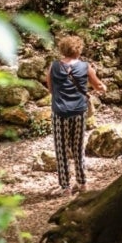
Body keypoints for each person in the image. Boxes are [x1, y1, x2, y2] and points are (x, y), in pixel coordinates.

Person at [46, 35, 107, 197]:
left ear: (62, 50)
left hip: (59, 113)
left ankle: (65, 187)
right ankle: (82, 183)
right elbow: (100, 87)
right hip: (79, 112)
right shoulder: (85, 67)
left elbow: (51, 89)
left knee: (62, 150)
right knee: (78, 148)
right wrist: (97, 89)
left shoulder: (53, 67)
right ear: (78, 50)